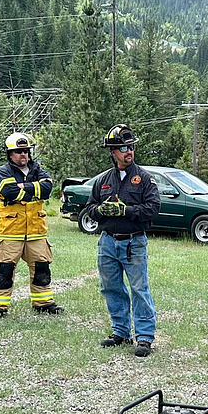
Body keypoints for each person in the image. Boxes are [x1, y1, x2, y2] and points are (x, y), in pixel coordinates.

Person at [87, 124, 161, 357]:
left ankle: (145, 337)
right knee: (111, 288)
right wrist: (101, 210)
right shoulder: (102, 181)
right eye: (122, 148)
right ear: (112, 152)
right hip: (107, 242)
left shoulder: (145, 179)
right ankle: (120, 331)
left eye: (131, 147)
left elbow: (153, 208)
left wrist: (125, 211)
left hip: (134, 242)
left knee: (140, 289)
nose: (128, 151)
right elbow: (88, 210)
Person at [0, 133, 64, 317]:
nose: (23, 155)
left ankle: (43, 303)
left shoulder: (38, 170)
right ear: (10, 154)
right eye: (18, 151)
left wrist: (23, 187)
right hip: (11, 231)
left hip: (36, 232)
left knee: (42, 270)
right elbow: (8, 190)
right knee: (4, 271)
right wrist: (32, 190)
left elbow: (47, 188)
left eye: (26, 151)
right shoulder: (3, 171)